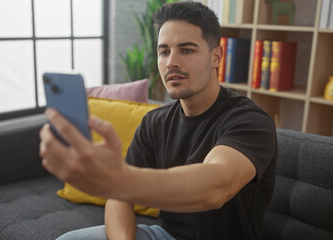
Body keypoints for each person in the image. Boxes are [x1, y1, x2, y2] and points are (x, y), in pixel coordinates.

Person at [39, 1, 277, 240]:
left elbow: (216, 186)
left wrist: (118, 179)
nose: (171, 62)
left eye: (186, 50)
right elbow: (120, 198)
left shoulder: (249, 120)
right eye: (164, 51)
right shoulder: (154, 122)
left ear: (216, 56)